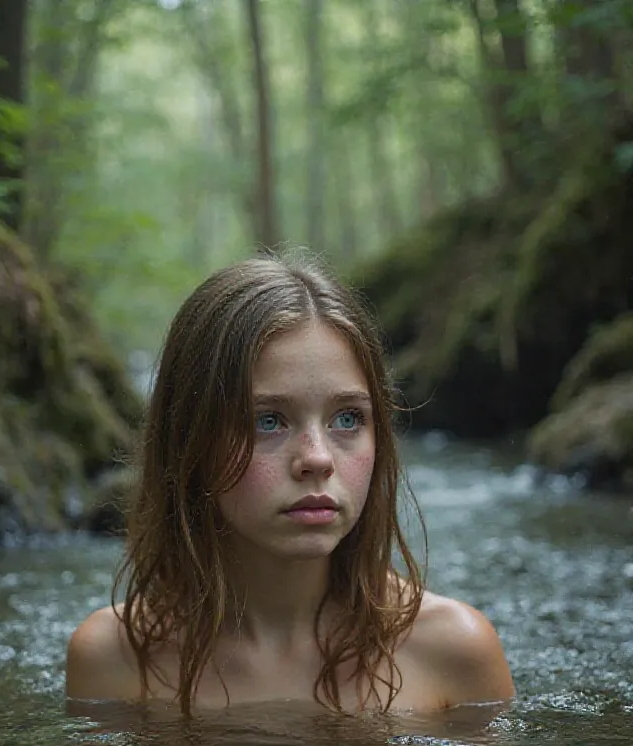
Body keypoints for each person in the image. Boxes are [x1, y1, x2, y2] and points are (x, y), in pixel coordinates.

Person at [66, 251, 514, 714]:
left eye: (347, 418)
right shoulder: (113, 660)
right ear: (188, 441)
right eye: (268, 421)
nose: (317, 458)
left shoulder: (453, 650)